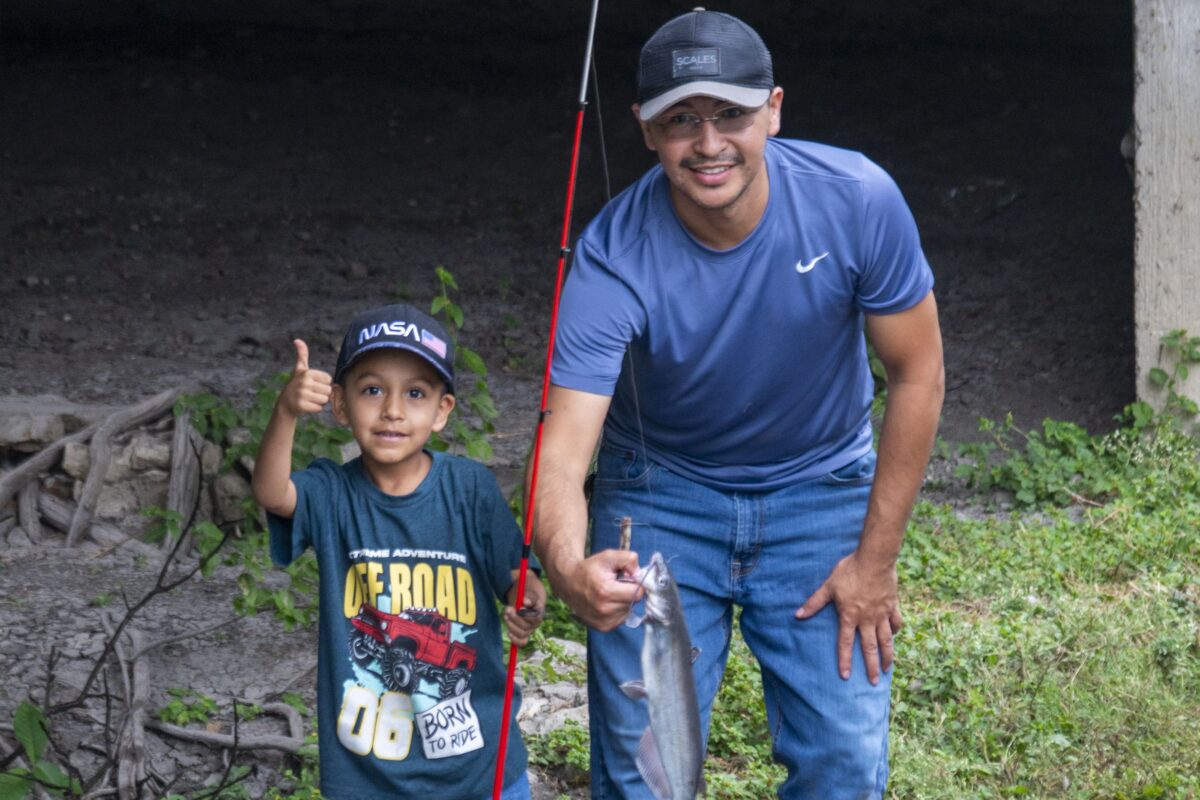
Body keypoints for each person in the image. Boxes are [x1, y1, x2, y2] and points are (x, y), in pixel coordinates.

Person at [531, 9, 944, 800]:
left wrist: (876, 560)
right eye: (681, 120)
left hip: (820, 491)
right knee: (642, 778)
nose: (709, 143)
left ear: (775, 110)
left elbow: (917, 374)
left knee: (844, 769)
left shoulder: (857, 199)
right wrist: (567, 562)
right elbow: (563, 446)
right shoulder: (610, 258)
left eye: (731, 115)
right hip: (662, 496)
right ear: (645, 130)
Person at [253, 303, 545, 800]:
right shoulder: (331, 492)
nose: (392, 409)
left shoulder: (469, 488)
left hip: (481, 764)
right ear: (341, 405)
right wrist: (285, 413)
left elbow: (518, 575)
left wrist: (528, 598)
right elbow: (272, 492)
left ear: (442, 412)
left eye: (415, 393)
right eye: (372, 390)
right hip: (366, 771)